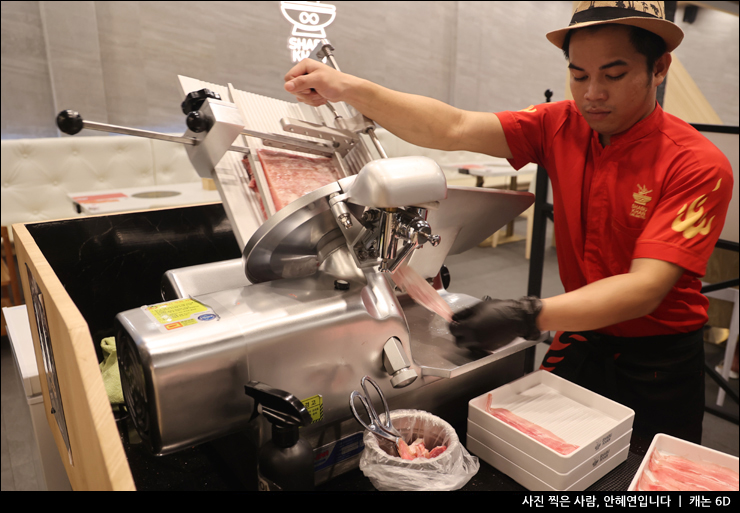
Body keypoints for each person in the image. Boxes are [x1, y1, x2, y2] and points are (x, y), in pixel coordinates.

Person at [283, 1, 733, 444]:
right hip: (582, 333)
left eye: (613, 75)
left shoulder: (695, 164)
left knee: (649, 474)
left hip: (658, 359)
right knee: (542, 450)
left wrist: (528, 313)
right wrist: (349, 88)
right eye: (578, 75)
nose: (592, 93)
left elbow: (645, 288)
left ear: (660, 68)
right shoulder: (562, 124)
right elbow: (453, 126)